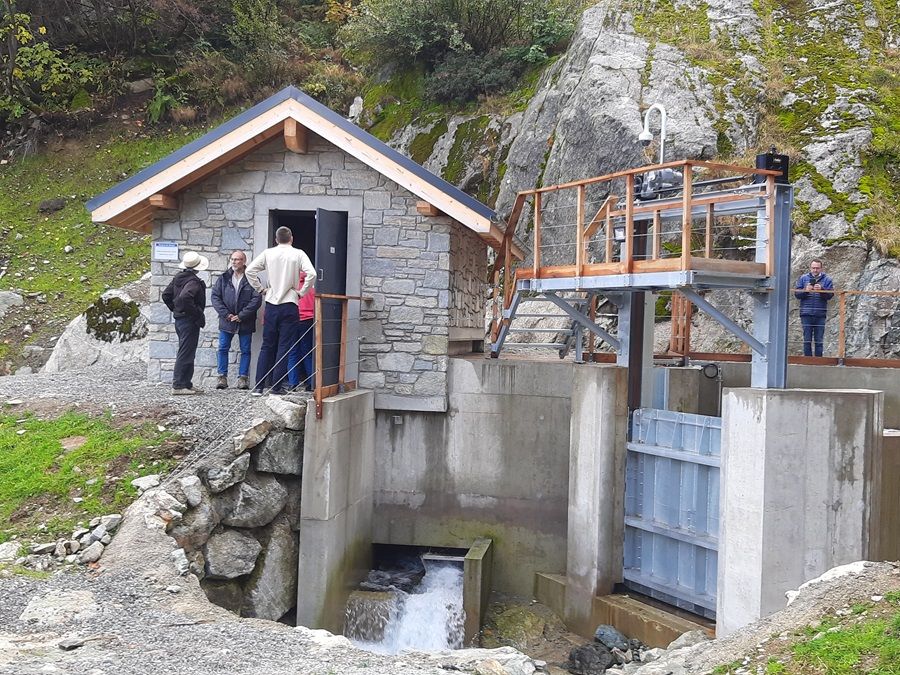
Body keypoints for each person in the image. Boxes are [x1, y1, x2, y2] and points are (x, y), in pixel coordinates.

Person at [245, 226, 316, 395]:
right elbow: (312, 273)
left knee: (267, 345)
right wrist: (301, 292)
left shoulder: (268, 253)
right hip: (290, 303)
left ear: (276, 239)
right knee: (284, 346)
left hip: (271, 302)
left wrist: (261, 289)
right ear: (291, 238)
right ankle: (276, 387)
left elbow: (250, 270)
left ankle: (259, 386)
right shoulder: (298, 254)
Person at [211, 250, 262, 390]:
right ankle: (222, 377)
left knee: (245, 350)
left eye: (237, 259)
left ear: (244, 261)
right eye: (232, 259)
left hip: (245, 321)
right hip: (226, 320)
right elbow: (215, 297)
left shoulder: (252, 278)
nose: (234, 262)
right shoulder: (223, 278)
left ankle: (243, 379)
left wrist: (241, 315)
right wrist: (226, 314)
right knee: (222, 348)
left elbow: (256, 299)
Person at [162, 250, 209, 395]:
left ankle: (186, 383)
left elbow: (166, 295)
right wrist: (196, 313)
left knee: (187, 351)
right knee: (185, 352)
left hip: (180, 319)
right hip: (189, 320)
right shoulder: (193, 282)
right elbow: (185, 298)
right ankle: (178, 385)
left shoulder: (178, 278)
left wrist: (175, 309)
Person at [794, 258, 834, 357]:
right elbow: (797, 294)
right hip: (806, 313)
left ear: (821, 268)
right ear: (810, 268)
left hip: (820, 313)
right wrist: (806, 290)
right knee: (807, 339)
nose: (815, 270)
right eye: (813, 268)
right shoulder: (803, 278)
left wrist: (822, 290)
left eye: (817, 268)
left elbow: (830, 296)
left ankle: (818, 361)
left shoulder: (827, 279)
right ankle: (808, 360)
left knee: (819, 340)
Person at [287, 270, 315, 392]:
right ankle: (311, 382)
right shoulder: (311, 285)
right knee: (307, 351)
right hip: (307, 319)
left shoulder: (289, 284)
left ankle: (293, 383)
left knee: (292, 351)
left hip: (292, 319)